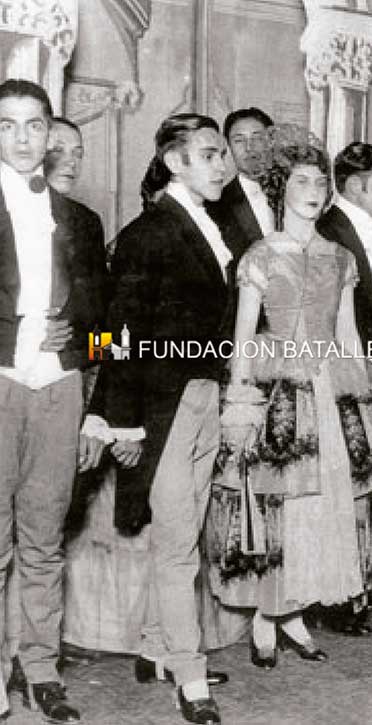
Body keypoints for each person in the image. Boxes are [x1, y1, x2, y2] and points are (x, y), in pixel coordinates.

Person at [207, 124, 372, 669]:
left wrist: (367, 389)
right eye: (302, 180)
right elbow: (241, 334)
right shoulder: (259, 255)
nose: (312, 189)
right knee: (277, 505)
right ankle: (268, 614)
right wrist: (238, 400)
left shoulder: (340, 257)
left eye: (320, 181)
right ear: (285, 188)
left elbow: (350, 333)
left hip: (331, 386)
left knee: (322, 508)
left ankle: (296, 614)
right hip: (276, 385)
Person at [99, 113, 239, 724]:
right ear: (175, 160)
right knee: (179, 544)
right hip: (162, 404)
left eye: (223, 154)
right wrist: (121, 422)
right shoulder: (148, 233)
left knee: (185, 536)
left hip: (202, 390)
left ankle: (157, 649)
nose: (222, 164)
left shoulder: (207, 225)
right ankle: (189, 673)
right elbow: (115, 337)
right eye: (209, 154)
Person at [0, 79, 109, 722]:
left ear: (49, 134)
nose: (21, 137)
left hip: (59, 388)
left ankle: (39, 666)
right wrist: (17, 329)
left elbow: (105, 326)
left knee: (43, 540)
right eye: (7, 124)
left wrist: (78, 337)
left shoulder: (81, 220)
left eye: (33, 125)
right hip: (2, 380)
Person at [314, 141, 372, 633]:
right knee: (348, 481)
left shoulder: (364, 227)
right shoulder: (331, 230)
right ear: (355, 185)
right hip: (343, 366)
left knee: (362, 478)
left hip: (367, 364)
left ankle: (354, 585)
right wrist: (365, 374)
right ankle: (340, 597)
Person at [207, 107, 274, 259]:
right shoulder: (216, 206)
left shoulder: (294, 191)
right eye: (239, 141)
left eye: (257, 138)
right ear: (229, 147)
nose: (249, 148)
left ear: (271, 141)